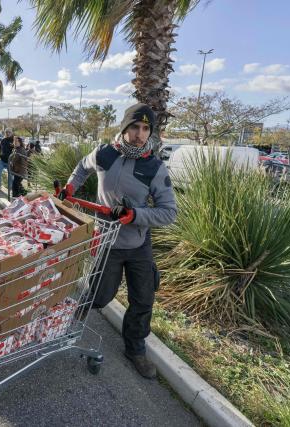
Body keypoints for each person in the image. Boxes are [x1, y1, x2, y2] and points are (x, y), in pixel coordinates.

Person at [59, 103, 177, 379]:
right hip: (108, 243)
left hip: (138, 245)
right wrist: (69, 187)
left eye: (146, 128)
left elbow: (169, 212)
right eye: (135, 127)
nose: (140, 134)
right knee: (99, 295)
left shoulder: (154, 167)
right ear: (125, 128)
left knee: (143, 299)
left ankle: (135, 349)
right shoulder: (104, 154)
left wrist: (135, 215)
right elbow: (81, 168)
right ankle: (65, 324)